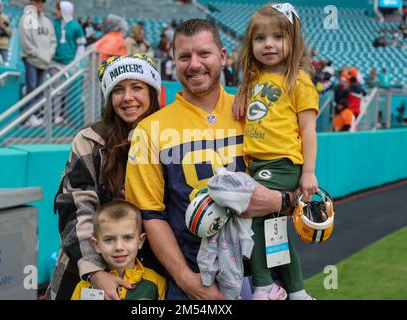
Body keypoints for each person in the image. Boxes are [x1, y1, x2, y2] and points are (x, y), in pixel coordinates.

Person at [125, 18, 297, 300]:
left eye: (203, 53)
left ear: (223, 56)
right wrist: (186, 279)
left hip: (265, 273)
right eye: (184, 57)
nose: (194, 65)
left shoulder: (258, 112)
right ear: (173, 61)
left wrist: (282, 201)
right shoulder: (149, 130)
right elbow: (150, 214)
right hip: (196, 278)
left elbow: (295, 178)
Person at [46, 54, 162, 300]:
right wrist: (95, 272)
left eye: (137, 87)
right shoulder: (89, 140)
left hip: (152, 272)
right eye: (118, 89)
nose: (128, 97)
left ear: (153, 92)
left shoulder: (171, 137)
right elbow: (76, 210)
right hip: (87, 271)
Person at [232, 3, 317, 300]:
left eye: (278, 37)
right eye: (260, 38)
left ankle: (263, 284)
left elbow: (308, 131)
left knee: (251, 217)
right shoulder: (254, 80)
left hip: (282, 163)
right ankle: (297, 290)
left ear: (292, 41)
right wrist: (242, 92)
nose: (268, 44)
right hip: (258, 163)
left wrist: (308, 173)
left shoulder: (299, 81)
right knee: (274, 228)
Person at [71, 200, 166, 300]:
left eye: (127, 238)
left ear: (140, 241)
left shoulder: (157, 283)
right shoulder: (84, 288)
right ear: (96, 245)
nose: (119, 247)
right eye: (109, 239)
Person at [18, 0, 56, 126]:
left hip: (44, 61)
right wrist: (38, 54)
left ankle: (38, 115)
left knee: (40, 89)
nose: (39, 5)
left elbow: (53, 41)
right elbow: (25, 42)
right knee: (32, 88)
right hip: (31, 59)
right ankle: (30, 116)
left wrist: (48, 55)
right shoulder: (26, 19)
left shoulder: (48, 22)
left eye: (41, 3)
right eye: (37, 2)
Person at [50, 0, 86, 124]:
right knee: (56, 90)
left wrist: (76, 62)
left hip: (70, 63)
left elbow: (81, 46)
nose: (56, 12)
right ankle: (57, 116)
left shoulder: (76, 26)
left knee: (68, 91)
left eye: (58, 9)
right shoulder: (54, 24)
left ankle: (68, 117)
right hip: (55, 62)